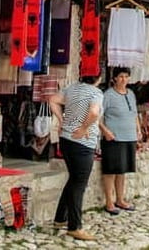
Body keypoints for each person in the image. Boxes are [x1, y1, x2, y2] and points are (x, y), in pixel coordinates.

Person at [49, 74, 103, 241]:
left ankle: (60, 218)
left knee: (73, 180)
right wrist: (84, 127)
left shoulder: (72, 88)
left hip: (66, 139)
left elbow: (52, 100)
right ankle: (75, 226)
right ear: (98, 78)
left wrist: (61, 120)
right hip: (82, 142)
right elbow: (94, 113)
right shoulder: (95, 93)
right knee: (79, 183)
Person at [99, 67, 140, 215]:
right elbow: (97, 115)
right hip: (114, 137)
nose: (123, 79)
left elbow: (134, 114)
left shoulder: (131, 94)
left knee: (122, 171)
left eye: (126, 76)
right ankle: (109, 202)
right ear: (115, 78)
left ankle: (120, 199)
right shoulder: (108, 95)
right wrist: (105, 131)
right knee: (111, 171)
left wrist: (139, 130)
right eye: (121, 76)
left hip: (129, 136)